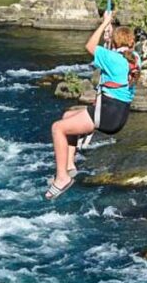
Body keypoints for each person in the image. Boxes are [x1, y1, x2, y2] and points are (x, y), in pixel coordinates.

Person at [44, 11, 139, 200]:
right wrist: (110, 38)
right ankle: (70, 166)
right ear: (132, 43)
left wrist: (104, 24)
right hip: (117, 114)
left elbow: (89, 46)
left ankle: (62, 177)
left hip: (106, 114)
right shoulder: (134, 59)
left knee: (57, 128)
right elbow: (115, 57)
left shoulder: (112, 59)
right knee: (67, 117)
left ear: (115, 43)